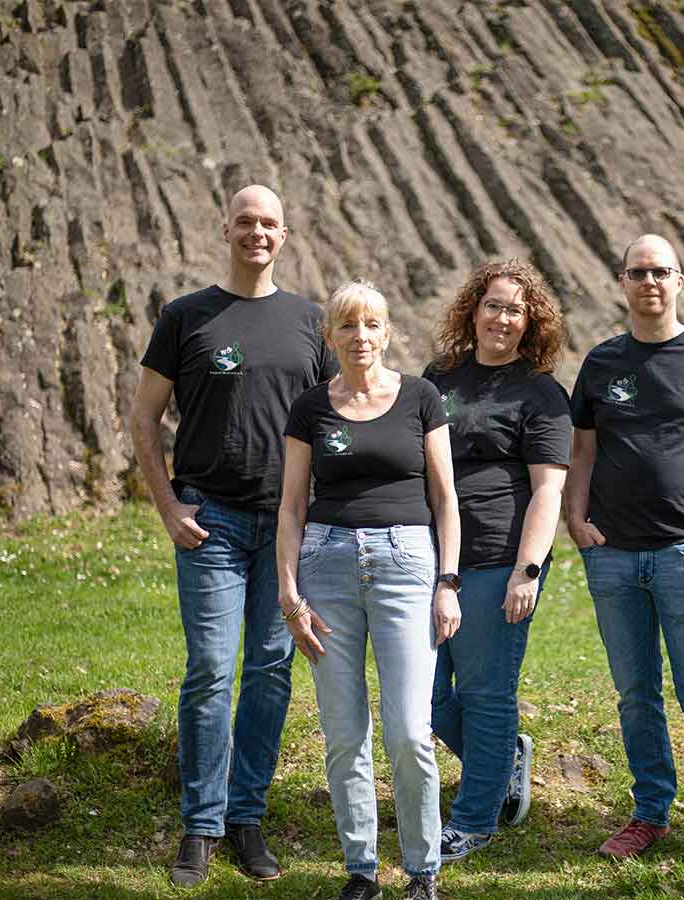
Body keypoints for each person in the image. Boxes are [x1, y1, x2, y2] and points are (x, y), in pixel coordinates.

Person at [129, 185, 336, 887]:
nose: (257, 232)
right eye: (245, 221)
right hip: (210, 521)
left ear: (285, 234)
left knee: (271, 672)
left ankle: (247, 817)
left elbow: (334, 425)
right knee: (211, 672)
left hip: (284, 529)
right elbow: (144, 419)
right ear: (225, 228)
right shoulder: (186, 317)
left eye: (269, 223)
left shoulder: (312, 322)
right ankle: (201, 824)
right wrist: (167, 506)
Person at [566, 234, 684, 882]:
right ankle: (650, 811)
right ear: (622, 282)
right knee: (636, 694)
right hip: (614, 557)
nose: (649, 281)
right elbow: (582, 451)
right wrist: (575, 518)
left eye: (661, 271)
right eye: (638, 271)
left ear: (680, 281)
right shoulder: (601, 362)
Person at [275, 280, 460, 900]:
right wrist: (288, 592)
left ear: (387, 332)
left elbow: (445, 499)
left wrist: (447, 583)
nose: (361, 337)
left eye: (372, 324)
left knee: (410, 728)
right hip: (325, 564)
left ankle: (422, 869)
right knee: (345, 730)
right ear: (330, 337)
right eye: (348, 326)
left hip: (407, 563)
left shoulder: (421, 398)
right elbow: (293, 505)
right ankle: (361, 869)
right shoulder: (309, 408)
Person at [424, 259, 572, 861]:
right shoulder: (438, 378)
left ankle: (475, 818)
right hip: (431, 557)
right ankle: (505, 753)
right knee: (426, 697)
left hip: (497, 559)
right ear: (473, 310)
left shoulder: (540, 392)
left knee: (485, 693)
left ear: (530, 322)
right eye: (494, 306)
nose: (503, 319)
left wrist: (527, 570)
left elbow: (548, 490)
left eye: (516, 310)